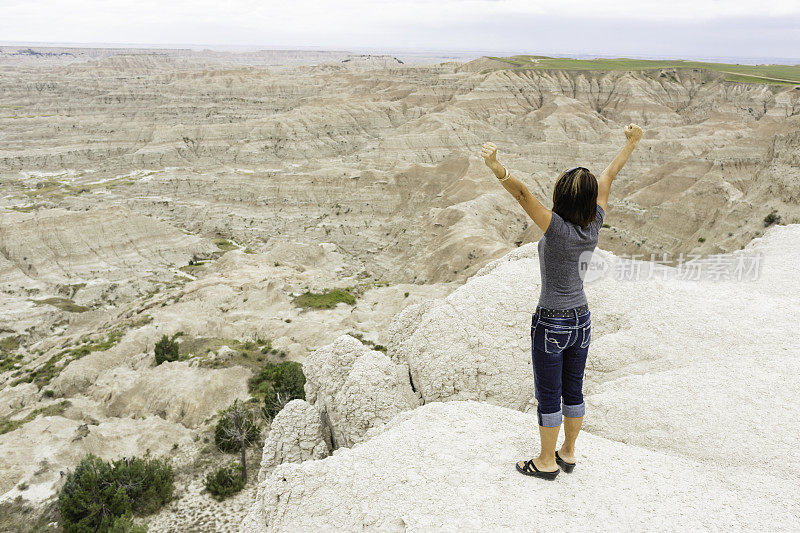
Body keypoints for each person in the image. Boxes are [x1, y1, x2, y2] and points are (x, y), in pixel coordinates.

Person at [480, 123, 644, 480]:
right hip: (582, 320)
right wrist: (632, 142)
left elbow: (523, 195)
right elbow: (609, 175)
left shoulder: (556, 228)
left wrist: (496, 167)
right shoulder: (595, 222)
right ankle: (567, 453)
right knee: (574, 390)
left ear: (562, 198)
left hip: (551, 321)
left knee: (549, 395)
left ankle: (546, 461)